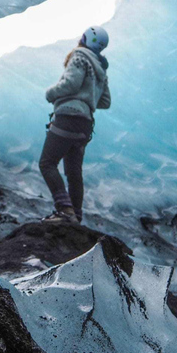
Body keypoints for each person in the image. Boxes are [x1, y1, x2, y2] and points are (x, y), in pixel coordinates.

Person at [39, 25, 110, 224]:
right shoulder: (100, 69)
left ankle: (64, 211)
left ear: (84, 38)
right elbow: (105, 102)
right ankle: (75, 216)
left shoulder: (79, 56)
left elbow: (71, 84)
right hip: (85, 125)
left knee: (47, 163)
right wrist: (87, 97)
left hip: (68, 118)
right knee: (73, 173)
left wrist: (50, 93)